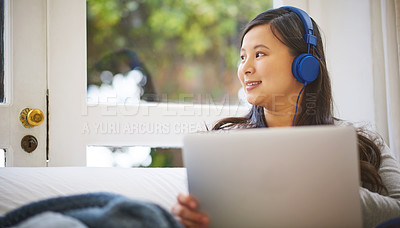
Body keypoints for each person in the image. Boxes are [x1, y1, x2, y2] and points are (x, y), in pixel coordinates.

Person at [171, 6, 400, 228]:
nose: (245, 69)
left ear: (305, 65)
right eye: (242, 57)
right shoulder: (222, 146)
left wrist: (336, 194)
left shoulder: (364, 143)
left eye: (259, 54)